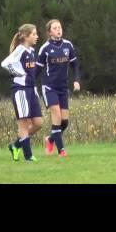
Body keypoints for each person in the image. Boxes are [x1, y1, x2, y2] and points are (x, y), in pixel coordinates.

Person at [36, 19, 80, 157]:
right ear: (49, 32)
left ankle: (50, 139)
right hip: (49, 87)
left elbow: (75, 65)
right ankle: (61, 151)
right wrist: (29, 85)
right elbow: (37, 70)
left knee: (64, 122)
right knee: (57, 116)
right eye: (55, 28)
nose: (58, 30)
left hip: (62, 87)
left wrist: (76, 80)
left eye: (59, 27)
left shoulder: (68, 45)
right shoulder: (45, 48)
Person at [1, 24, 43, 162]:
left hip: (31, 90)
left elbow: (32, 73)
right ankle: (28, 156)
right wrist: (18, 73)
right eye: (34, 34)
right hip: (20, 90)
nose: (36, 36)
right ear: (26, 36)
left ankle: (15, 145)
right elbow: (5, 63)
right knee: (23, 124)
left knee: (38, 123)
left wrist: (35, 90)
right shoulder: (20, 50)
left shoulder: (31, 51)